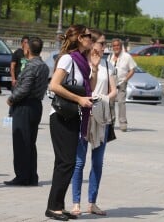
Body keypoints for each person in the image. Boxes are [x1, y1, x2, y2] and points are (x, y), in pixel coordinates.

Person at [45, 25, 100, 221]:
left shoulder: (83, 61)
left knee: (65, 162)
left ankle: (56, 205)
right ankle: (54, 207)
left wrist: (94, 67)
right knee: (66, 161)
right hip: (61, 116)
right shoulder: (68, 58)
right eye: (88, 36)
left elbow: (89, 89)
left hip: (73, 115)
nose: (91, 39)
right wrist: (79, 100)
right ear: (78, 38)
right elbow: (54, 85)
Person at [71, 29, 117, 216]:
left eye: (105, 44)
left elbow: (114, 89)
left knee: (97, 162)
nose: (104, 47)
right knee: (79, 162)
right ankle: (76, 203)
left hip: (101, 114)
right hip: (83, 114)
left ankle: (92, 202)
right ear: (92, 43)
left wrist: (105, 98)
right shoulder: (81, 62)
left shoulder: (108, 64)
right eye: (102, 43)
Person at [4, 37, 49, 186]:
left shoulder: (31, 66)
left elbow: (25, 87)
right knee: (30, 142)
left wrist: (12, 98)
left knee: (21, 142)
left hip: (24, 106)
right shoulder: (43, 65)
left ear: (28, 49)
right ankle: (31, 175)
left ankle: (22, 176)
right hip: (36, 105)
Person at [108, 38, 137, 132]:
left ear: (121, 46)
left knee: (121, 102)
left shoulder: (126, 56)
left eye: (118, 45)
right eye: (114, 46)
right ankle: (111, 122)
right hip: (111, 83)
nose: (116, 47)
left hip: (121, 82)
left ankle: (123, 124)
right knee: (110, 103)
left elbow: (132, 69)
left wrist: (125, 79)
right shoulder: (110, 57)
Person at [9, 35, 29, 115]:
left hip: (26, 80)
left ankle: (21, 113)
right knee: (15, 97)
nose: (27, 44)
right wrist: (13, 79)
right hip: (17, 79)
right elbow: (12, 66)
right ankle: (11, 114)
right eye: (25, 42)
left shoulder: (30, 54)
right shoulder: (17, 53)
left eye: (28, 42)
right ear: (22, 44)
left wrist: (27, 53)